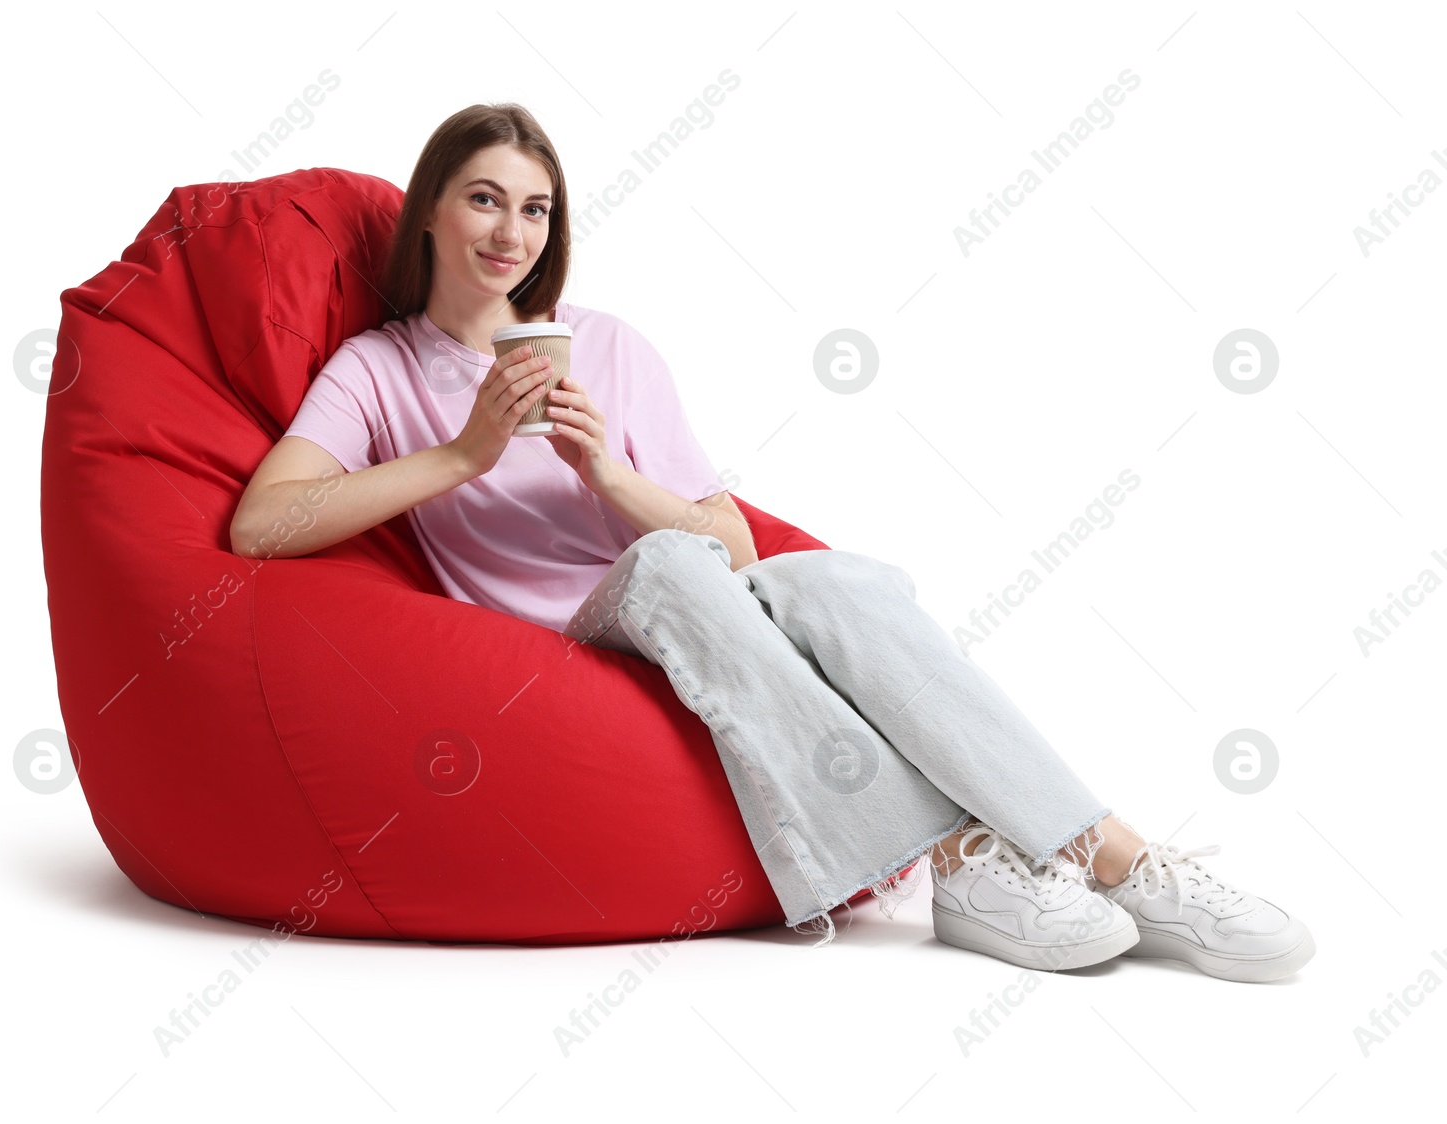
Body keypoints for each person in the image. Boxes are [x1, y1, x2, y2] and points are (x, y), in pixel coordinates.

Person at [230, 103, 1315, 982]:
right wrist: (466, 453)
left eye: (535, 209)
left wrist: (606, 474)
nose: (510, 233)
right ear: (430, 214)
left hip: (692, 590)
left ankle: (1115, 854)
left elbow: (731, 542)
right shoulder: (378, 370)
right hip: (568, 637)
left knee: (830, 581)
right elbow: (260, 523)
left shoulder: (603, 344)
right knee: (664, 566)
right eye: (483, 200)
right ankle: (951, 856)